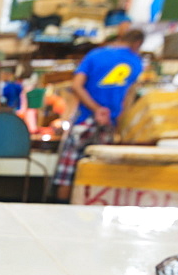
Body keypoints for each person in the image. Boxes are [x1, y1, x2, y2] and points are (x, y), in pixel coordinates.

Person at [53, 29, 145, 201]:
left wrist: (95, 108)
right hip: (108, 124)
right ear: (137, 44)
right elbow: (128, 98)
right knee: (98, 175)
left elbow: (77, 86)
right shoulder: (136, 61)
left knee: (67, 173)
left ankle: (61, 211)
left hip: (83, 121)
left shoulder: (95, 55)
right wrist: (118, 124)